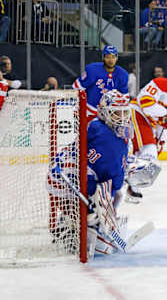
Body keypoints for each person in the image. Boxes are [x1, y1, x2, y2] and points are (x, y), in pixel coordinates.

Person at [47, 90, 131, 257]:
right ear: (104, 112)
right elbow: (108, 179)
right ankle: (83, 228)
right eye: (116, 113)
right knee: (96, 217)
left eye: (124, 113)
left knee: (109, 197)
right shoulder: (107, 141)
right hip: (67, 179)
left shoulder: (96, 125)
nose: (121, 118)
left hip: (62, 173)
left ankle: (72, 223)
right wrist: (99, 209)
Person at [127, 64, 167, 203]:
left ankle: (131, 186)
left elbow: (166, 122)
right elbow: (146, 105)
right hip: (137, 113)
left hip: (150, 123)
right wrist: (165, 113)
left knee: (148, 154)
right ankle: (131, 183)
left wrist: (161, 140)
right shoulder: (159, 83)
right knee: (149, 151)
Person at [73, 45, 129, 121]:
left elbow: (124, 97)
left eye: (113, 57)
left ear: (117, 58)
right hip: (90, 111)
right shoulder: (92, 70)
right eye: (108, 57)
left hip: (110, 114)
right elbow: (77, 87)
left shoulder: (122, 74)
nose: (111, 60)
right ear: (103, 57)